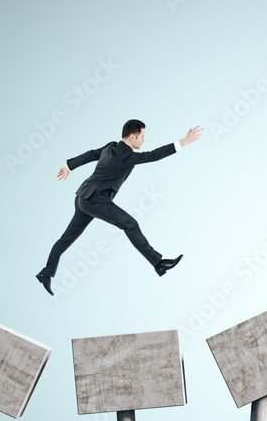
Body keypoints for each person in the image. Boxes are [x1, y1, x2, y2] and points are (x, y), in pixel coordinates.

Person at [36, 119, 202, 295]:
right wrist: (184, 142)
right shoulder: (127, 155)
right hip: (95, 199)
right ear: (132, 137)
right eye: (142, 136)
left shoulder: (110, 146)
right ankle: (159, 264)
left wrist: (68, 166)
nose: (144, 140)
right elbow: (153, 155)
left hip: (82, 197)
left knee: (66, 238)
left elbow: (91, 154)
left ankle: (46, 273)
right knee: (130, 224)